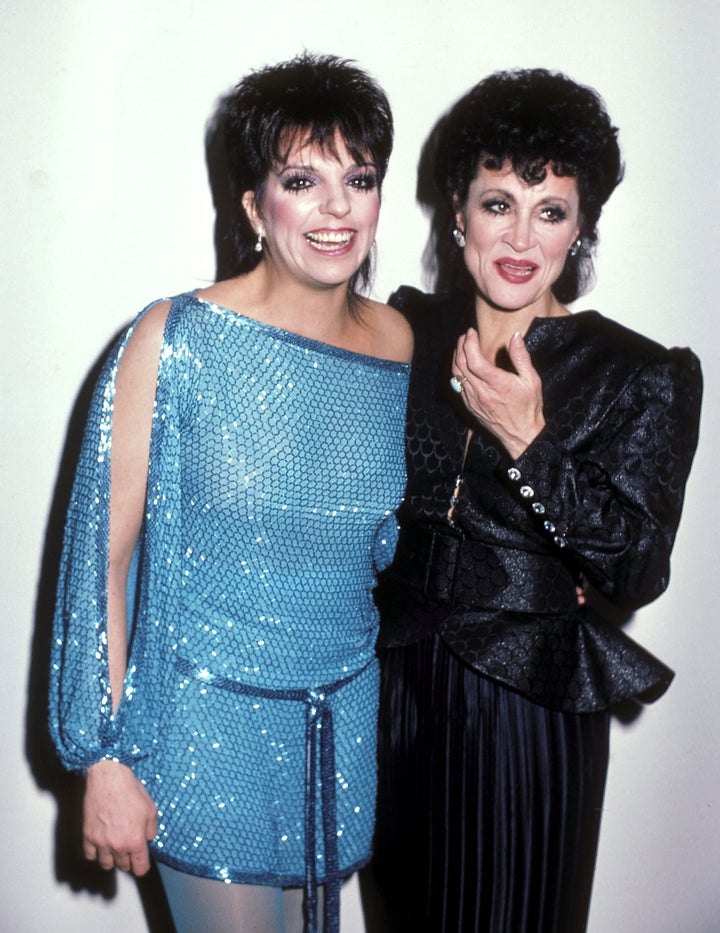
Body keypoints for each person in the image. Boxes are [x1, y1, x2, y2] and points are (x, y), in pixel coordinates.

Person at [49, 52, 412, 933]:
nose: (336, 208)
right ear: (255, 206)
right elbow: (101, 556)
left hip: (338, 729)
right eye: (302, 179)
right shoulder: (174, 339)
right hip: (203, 732)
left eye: (357, 179)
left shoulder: (397, 343)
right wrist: (102, 757)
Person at [371, 68, 702, 933]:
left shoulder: (637, 372)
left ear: (580, 224)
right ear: (457, 209)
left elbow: (636, 566)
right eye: (498, 203)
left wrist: (530, 440)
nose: (521, 236)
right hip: (398, 693)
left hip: (524, 708)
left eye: (549, 209)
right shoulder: (405, 333)